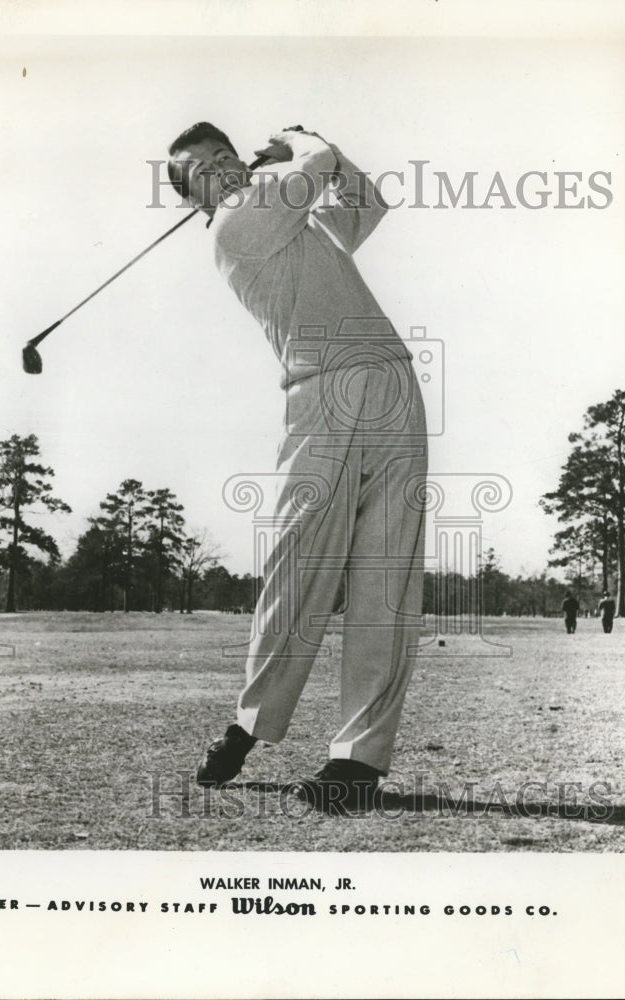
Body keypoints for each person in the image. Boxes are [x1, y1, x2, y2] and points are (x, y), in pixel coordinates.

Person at [167, 123, 428, 813]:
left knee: (385, 575)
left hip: (392, 379)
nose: (221, 171)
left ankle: (358, 762)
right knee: (300, 561)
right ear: (194, 201)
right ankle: (249, 724)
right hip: (319, 390)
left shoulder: (293, 218)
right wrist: (302, 140)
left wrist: (322, 154)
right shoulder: (233, 228)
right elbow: (314, 165)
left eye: (225, 157)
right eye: (202, 171)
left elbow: (365, 201)